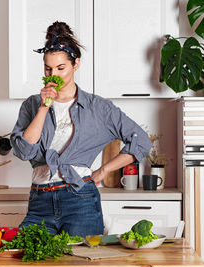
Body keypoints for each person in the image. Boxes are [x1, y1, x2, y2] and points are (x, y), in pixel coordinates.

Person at [10, 21, 151, 237]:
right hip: (40, 200)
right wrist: (43, 108)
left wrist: (103, 171)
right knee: (30, 263)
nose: (53, 75)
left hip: (81, 200)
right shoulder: (32, 104)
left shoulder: (98, 108)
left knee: (81, 266)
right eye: (48, 68)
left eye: (60, 68)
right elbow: (24, 151)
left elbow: (141, 141)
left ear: (76, 64)